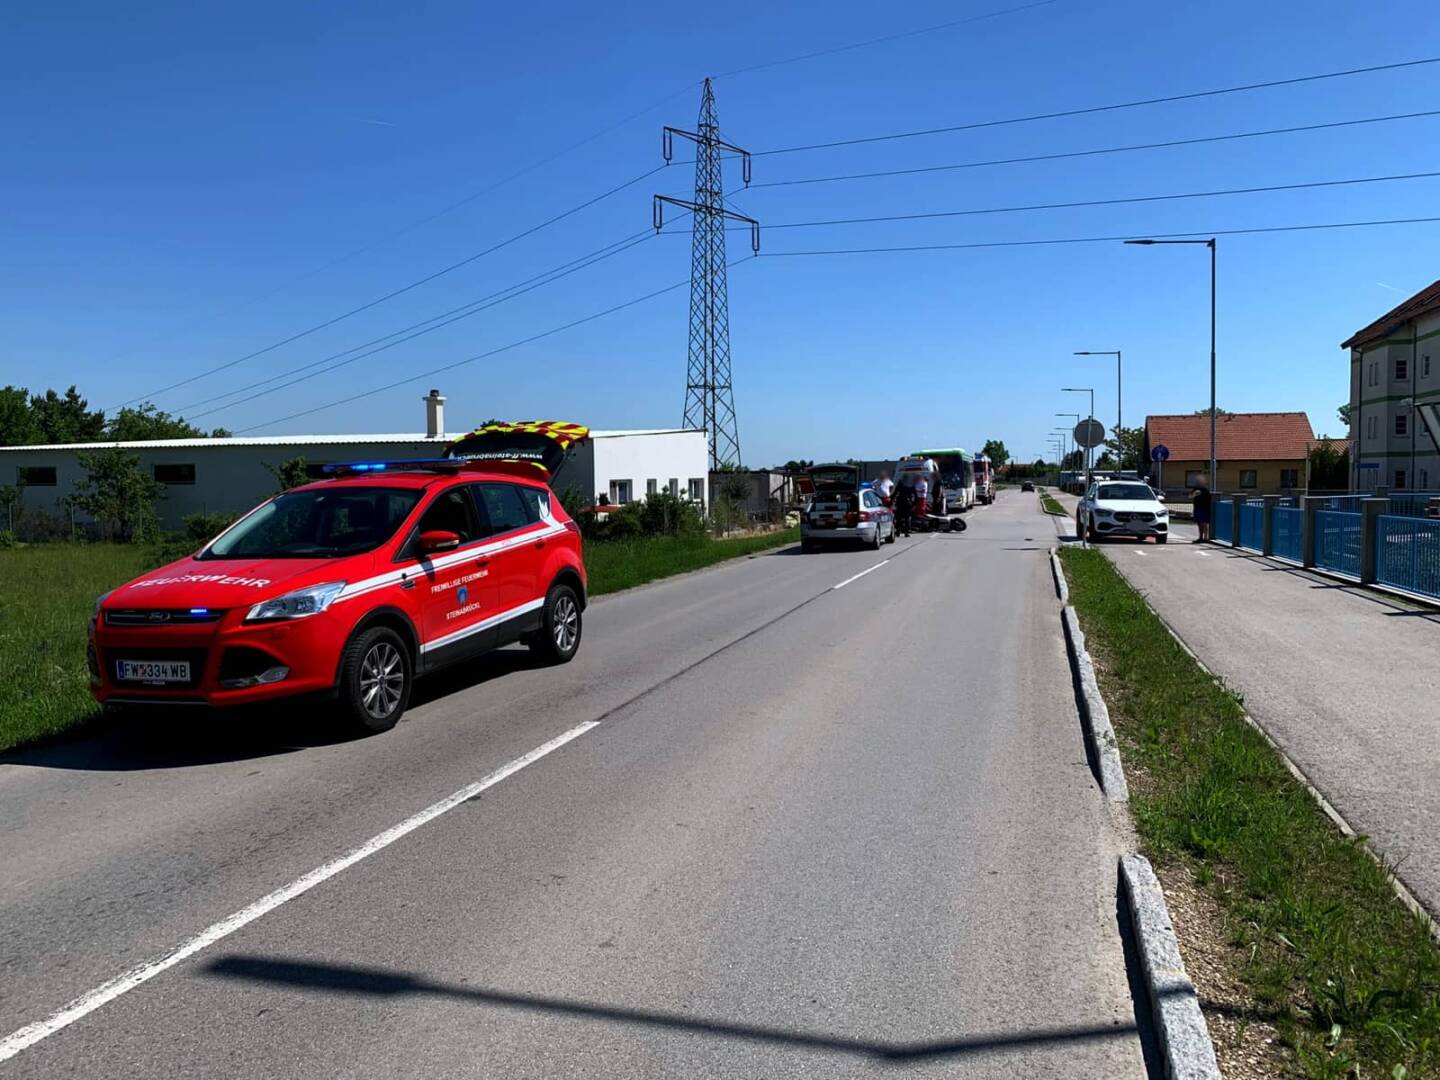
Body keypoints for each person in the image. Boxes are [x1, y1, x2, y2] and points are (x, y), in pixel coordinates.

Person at [1191, 477, 1212, 543]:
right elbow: (1190, 496)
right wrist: (1195, 494)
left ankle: (1205, 538)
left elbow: (1209, 500)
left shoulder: (1206, 490)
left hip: (1204, 508)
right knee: (1199, 523)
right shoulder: (1195, 489)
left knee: (1204, 523)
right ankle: (1200, 537)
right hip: (1197, 508)